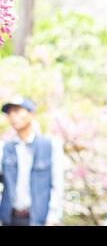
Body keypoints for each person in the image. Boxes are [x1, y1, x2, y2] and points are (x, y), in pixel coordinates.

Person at [0, 96, 65, 226]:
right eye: (10, 113)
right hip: (10, 218)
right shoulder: (6, 148)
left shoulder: (50, 146)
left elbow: (57, 185)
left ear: (31, 114)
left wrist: (53, 218)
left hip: (37, 219)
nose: (13, 116)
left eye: (17, 111)